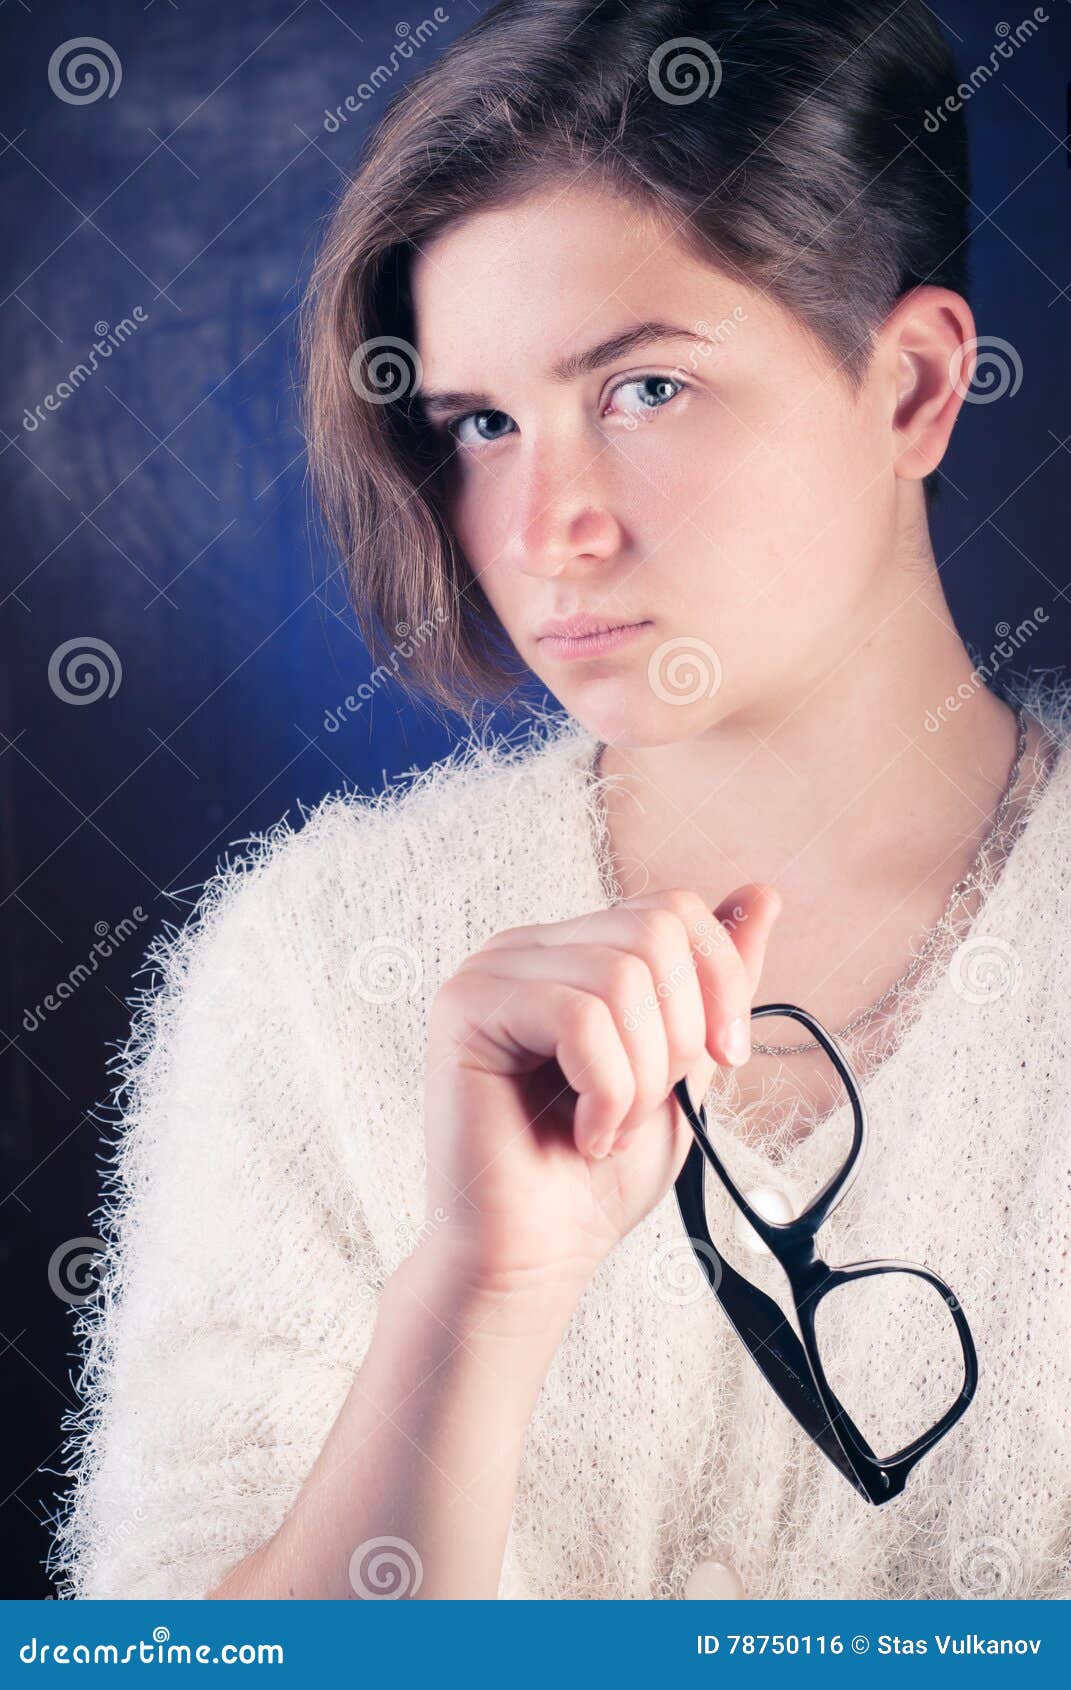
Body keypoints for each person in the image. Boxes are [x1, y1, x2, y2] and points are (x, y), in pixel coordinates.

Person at [47, 0, 1071, 1602]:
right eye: (482, 424)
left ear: (917, 387)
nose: (544, 528)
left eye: (644, 389)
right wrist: (476, 1298)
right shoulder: (317, 961)